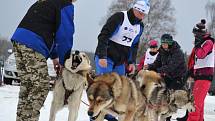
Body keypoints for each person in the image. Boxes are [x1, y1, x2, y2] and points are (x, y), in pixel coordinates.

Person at [11, 0, 76, 121]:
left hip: (19, 39)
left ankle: (22, 118)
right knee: (41, 85)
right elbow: (64, 36)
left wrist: (55, 57)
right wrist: (64, 62)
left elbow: (45, 29)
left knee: (28, 85)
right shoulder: (65, 4)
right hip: (33, 42)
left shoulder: (45, 1)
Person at [93, 0, 150, 120]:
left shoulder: (140, 26)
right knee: (103, 88)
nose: (141, 16)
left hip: (120, 61)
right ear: (135, 9)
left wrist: (131, 62)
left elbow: (134, 45)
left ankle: (110, 116)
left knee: (119, 90)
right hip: (106, 57)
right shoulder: (119, 17)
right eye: (140, 12)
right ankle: (95, 115)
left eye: (144, 14)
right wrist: (102, 55)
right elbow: (103, 36)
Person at [187, 19, 214, 121]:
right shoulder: (202, 42)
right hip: (199, 76)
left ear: (200, 34)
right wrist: (191, 72)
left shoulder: (209, 42)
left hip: (204, 77)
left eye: (195, 34)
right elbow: (197, 61)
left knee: (194, 105)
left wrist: (197, 45)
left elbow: (201, 54)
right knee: (199, 105)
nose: (194, 37)